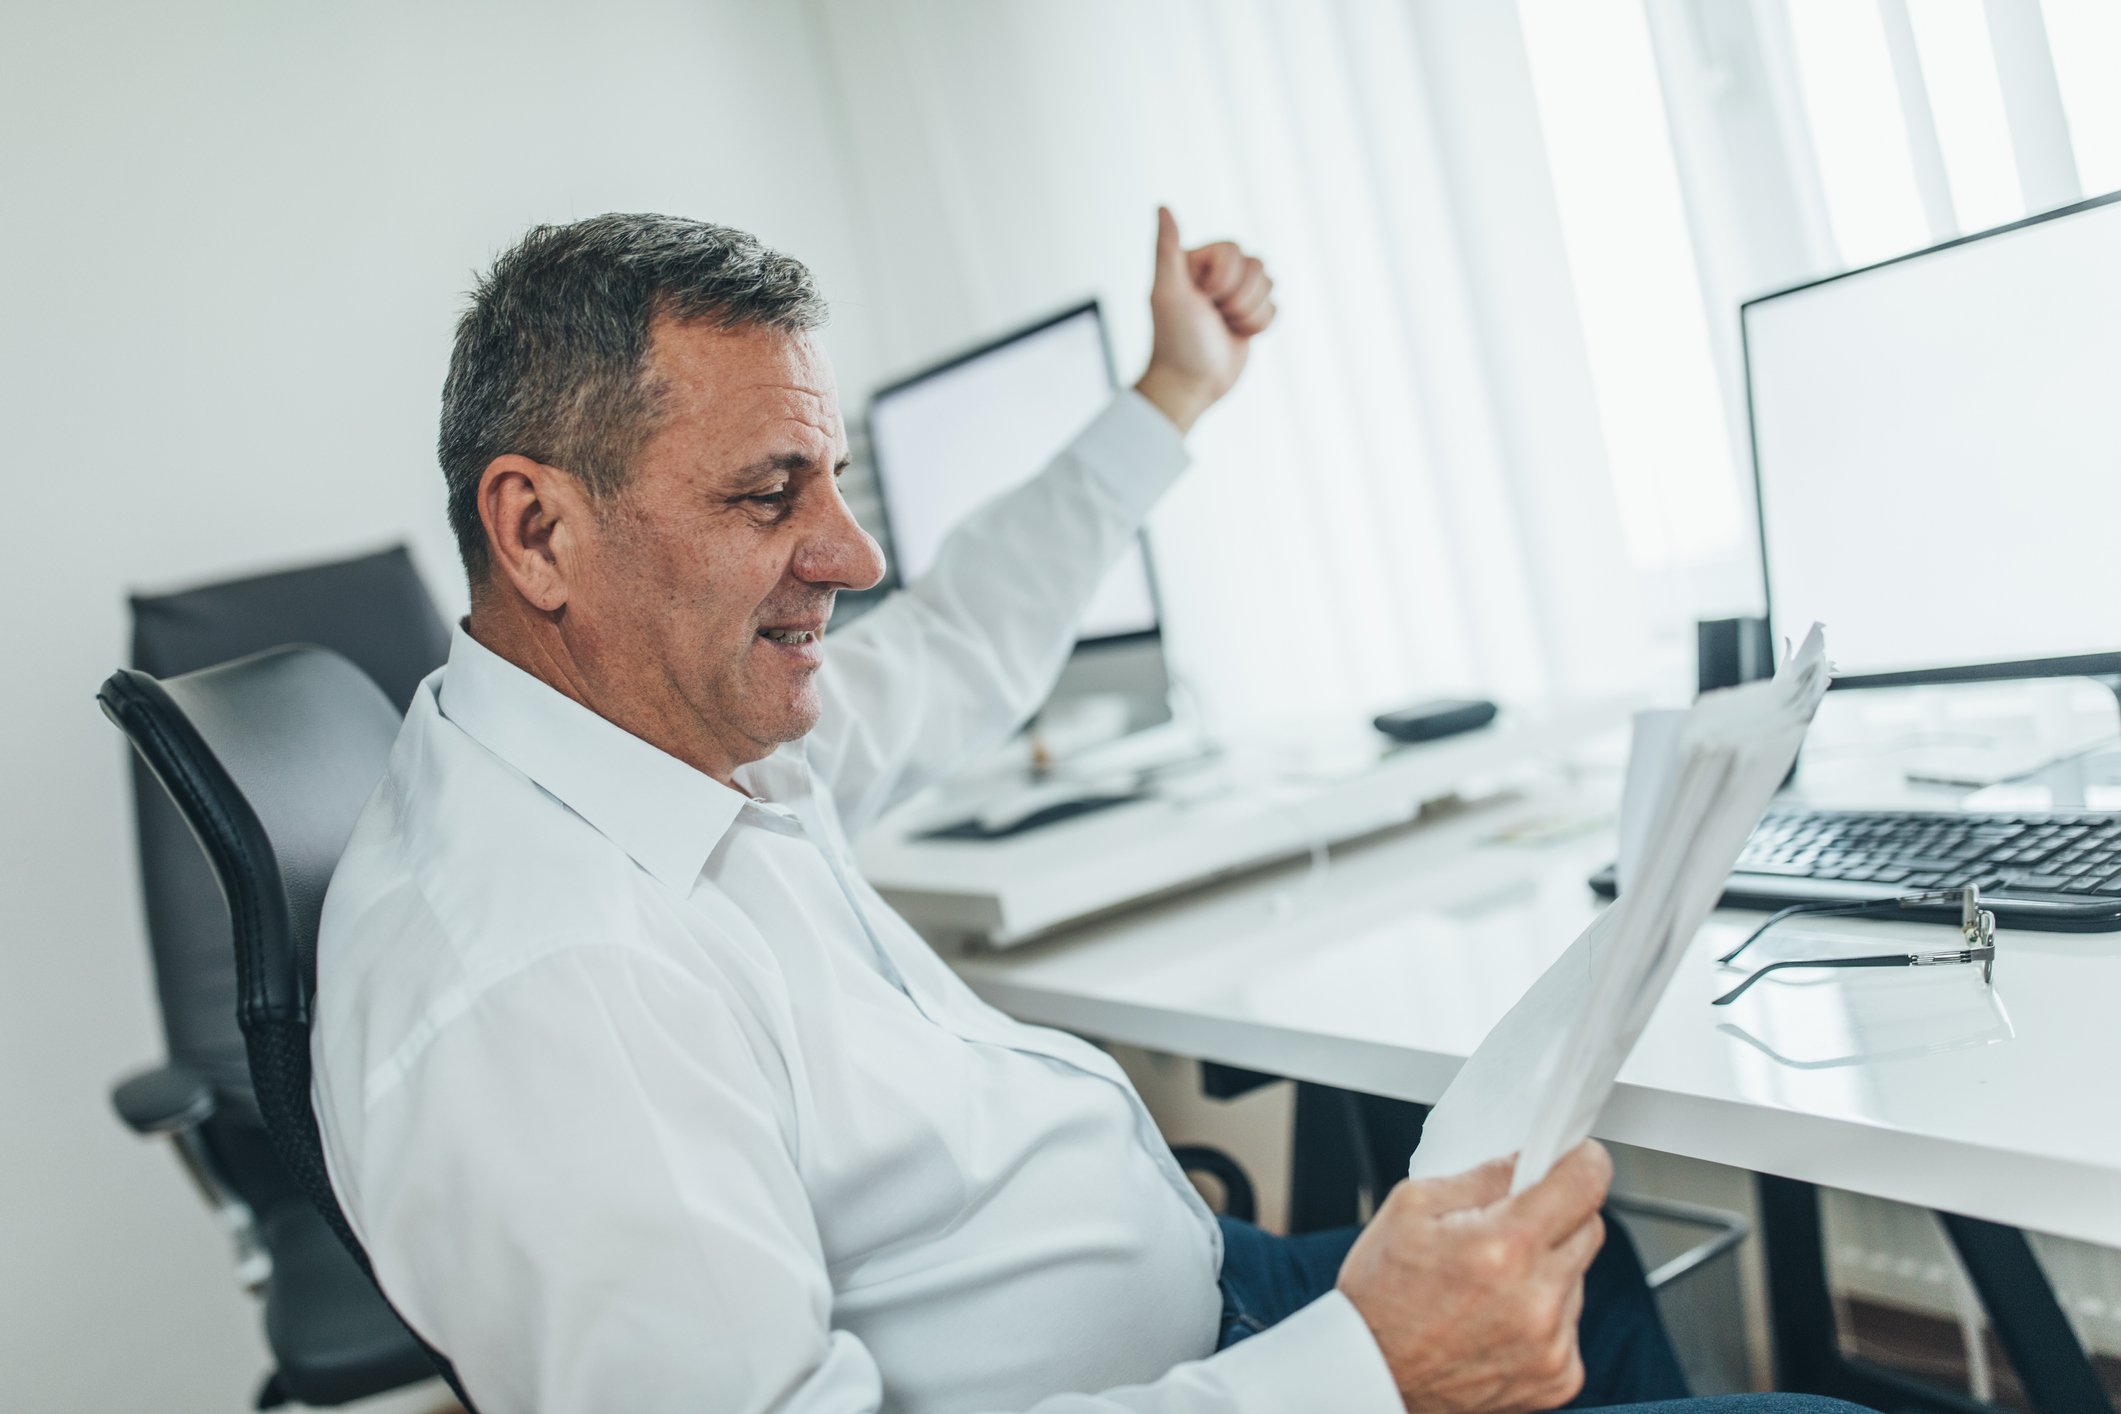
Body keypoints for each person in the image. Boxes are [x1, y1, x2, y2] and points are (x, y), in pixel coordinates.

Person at [312, 210, 1859, 1414]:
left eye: (834, 481)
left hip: (1197, 1311)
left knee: (1582, 1269)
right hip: (1214, 1367)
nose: (852, 555)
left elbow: (956, 640)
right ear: (538, 529)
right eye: (769, 493)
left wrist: (1172, 390)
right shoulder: (540, 985)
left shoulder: (658, 721)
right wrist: (1368, 1365)